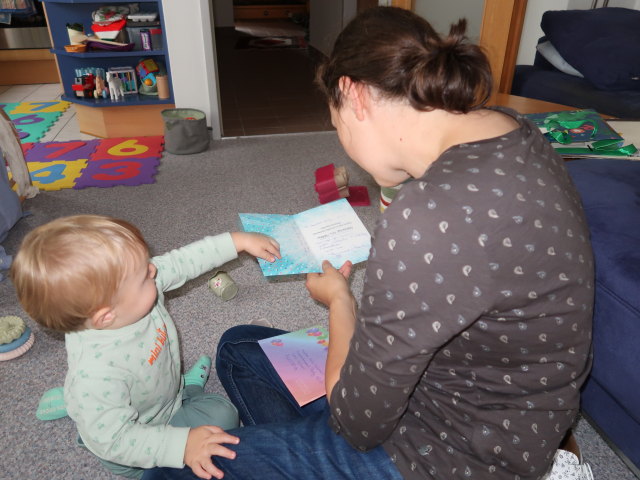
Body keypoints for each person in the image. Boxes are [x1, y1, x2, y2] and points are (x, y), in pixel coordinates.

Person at [142, 6, 594, 480]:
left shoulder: (430, 218)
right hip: (511, 413)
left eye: (336, 124)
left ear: (352, 94)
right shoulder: (513, 129)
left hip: (444, 455)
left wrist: (341, 303)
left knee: (168, 468)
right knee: (241, 348)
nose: (342, 140)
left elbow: (357, 424)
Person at [10, 214, 281, 479]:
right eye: (145, 275)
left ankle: (176, 393)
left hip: (165, 397)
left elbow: (181, 261)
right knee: (222, 426)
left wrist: (236, 241)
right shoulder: (96, 373)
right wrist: (180, 446)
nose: (154, 269)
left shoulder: (131, 292)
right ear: (106, 316)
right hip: (137, 436)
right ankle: (85, 415)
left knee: (222, 414)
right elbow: (114, 441)